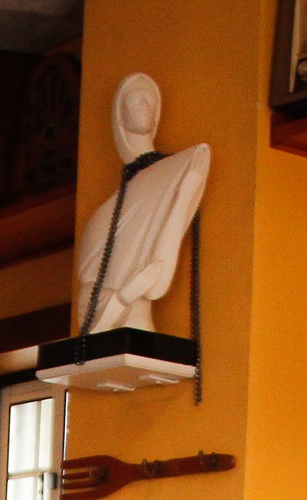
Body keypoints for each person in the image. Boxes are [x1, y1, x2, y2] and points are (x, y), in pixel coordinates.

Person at [72, 74, 210, 336]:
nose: (144, 104)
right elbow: (88, 315)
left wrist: (183, 195)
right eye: (135, 99)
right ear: (119, 116)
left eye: (149, 99)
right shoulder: (102, 218)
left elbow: (157, 281)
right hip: (119, 333)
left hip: (142, 327)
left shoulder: (184, 166)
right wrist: (123, 295)